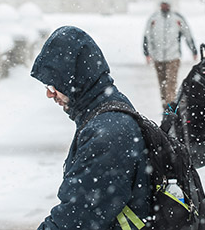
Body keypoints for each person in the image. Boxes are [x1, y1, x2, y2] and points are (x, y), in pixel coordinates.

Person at [30, 26, 150, 230]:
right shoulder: (106, 112)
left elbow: (78, 218)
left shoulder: (109, 132)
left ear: (74, 78)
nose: (50, 94)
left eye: (53, 86)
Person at [143, 0, 198, 109]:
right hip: (158, 57)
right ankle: (165, 105)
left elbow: (187, 34)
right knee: (162, 83)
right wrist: (147, 53)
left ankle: (171, 106)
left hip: (173, 57)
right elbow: (147, 37)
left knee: (171, 83)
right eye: (162, 4)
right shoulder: (154, 19)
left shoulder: (177, 19)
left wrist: (194, 50)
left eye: (166, 4)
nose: (164, 6)